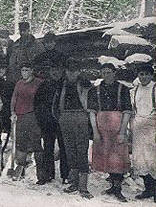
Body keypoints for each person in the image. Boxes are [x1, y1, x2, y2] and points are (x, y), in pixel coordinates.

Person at [87, 63, 132, 202]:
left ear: (114, 72)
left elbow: (127, 112)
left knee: (118, 157)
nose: (107, 75)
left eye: (109, 72)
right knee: (106, 156)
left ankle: (118, 188)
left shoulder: (122, 89)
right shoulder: (95, 90)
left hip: (117, 126)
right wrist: (95, 132)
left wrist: (122, 131)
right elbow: (92, 113)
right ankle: (112, 185)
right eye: (104, 72)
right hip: (102, 126)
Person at [52, 59, 93, 199]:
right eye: (69, 71)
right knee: (69, 150)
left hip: (81, 116)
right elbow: (55, 104)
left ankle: (83, 186)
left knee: (81, 149)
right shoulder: (62, 84)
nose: (71, 73)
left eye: (74, 71)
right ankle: (73, 182)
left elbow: (91, 103)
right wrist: (59, 117)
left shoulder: (85, 84)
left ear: (79, 71)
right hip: (65, 117)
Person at [34, 61, 69, 185]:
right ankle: (48, 174)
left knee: (64, 148)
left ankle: (66, 175)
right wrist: (41, 120)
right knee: (48, 148)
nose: (55, 72)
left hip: (62, 122)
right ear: (50, 72)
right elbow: (37, 104)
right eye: (53, 70)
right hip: (48, 123)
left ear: (62, 71)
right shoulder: (44, 85)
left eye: (58, 70)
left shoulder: (66, 85)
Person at [10, 62, 44, 182]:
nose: (24, 72)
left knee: (36, 144)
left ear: (31, 71)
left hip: (33, 116)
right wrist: (13, 112)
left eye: (27, 70)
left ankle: (41, 174)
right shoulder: (19, 83)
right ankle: (20, 170)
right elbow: (14, 98)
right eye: (23, 70)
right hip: (20, 116)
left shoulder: (38, 83)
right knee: (21, 143)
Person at [131, 63, 156, 203]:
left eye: (147, 74)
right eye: (141, 74)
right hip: (139, 128)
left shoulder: (155, 88)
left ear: (151, 75)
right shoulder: (135, 90)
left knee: (153, 159)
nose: (144, 77)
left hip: (153, 127)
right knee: (141, 159)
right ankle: (149, 189)